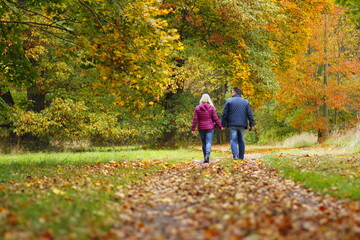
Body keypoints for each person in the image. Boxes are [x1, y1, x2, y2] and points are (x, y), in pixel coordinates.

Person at [221, 87, 255, 160]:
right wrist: (251, 124)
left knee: (233, 139)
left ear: (234, 92)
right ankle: (241, 157)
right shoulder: (245, 102)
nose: (231, 93)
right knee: (241, 140)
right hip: (242, 124)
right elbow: (249, 114)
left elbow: (224, 114)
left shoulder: (229, 101)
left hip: (232, 124)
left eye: (232, 92)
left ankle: (235, 155)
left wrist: (223, 124)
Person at [191, 94, 223, 163]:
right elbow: (215, 119)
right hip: (210, 127)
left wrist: (193, 128)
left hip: (201, 128)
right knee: (208, 142)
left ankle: (205, 156)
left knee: (203, 143)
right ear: (208, 99)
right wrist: (220, 126)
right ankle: (207, 155)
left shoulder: (197, 108)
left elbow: (195, 119)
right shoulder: (211, 108)